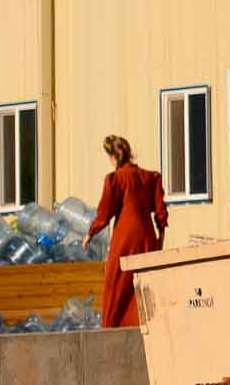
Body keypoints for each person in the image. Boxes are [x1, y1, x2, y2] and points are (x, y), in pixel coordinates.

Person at [87, 134, 168, 328]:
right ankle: (148, 324)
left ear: (114, 157)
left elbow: (105, 211)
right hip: (147, 235)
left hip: (125, 236)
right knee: (146, 280)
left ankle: (113, 326)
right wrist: (160, 236)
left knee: (117, 281)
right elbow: (160, 211)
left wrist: (91, 232)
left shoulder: (116, 179)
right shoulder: (150, 177)